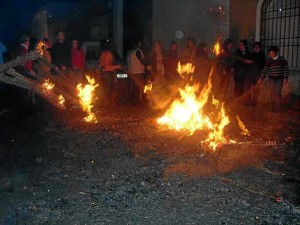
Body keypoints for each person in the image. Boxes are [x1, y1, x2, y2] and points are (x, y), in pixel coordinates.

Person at [260, 46, 289, 112]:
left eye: (272, 53)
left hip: (279, 79)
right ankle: (273, 107)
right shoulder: (269, 61)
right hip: (272, 79)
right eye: (270, 54)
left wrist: (286, 78)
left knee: (278, 93)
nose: (271, 55)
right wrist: (261, 77)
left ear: (276, 53)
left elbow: (286, 68)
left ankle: (278, 108)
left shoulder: (282, 59)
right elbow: (265, 69)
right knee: (272, 93)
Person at [99, 40, 121, 107]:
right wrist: (116, 66)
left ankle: (106, 103)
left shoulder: (103, 53)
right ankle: (108, 104)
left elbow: (101, 65)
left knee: (105, 89)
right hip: (108, 73)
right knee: (109, 90)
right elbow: (107, 66)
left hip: (103, 73)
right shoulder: (108, 54)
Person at [127, 39, 149, 104]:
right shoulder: (138, 51)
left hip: (131, 72)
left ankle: (131, 100)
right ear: (139, 43)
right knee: (140, 87)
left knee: (133, 87)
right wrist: (148, 64)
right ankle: (139, 101)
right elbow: (142, 61)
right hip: (138, 72)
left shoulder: (130, 52)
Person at [250, 42, 265, 106]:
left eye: (257, 47)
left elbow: (264, 66)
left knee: (257, 89)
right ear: (253, 48)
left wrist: (261, 75)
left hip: (259, 75)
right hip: (252, 75)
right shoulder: (252, 55)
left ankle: (255, 103)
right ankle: (252, 101)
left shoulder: (262, 55)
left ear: (260, 48)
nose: (256, 48)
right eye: (255, 47)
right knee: (252, 88)